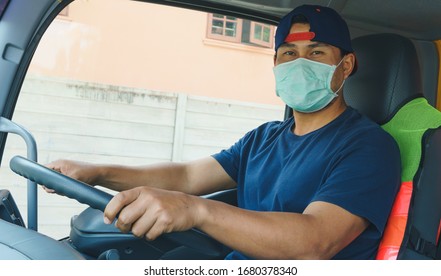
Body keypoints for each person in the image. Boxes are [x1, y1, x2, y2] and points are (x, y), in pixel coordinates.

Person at [46, 5, 401, 260]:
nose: (299, 63)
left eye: (316, 52)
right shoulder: (264, 138)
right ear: (275, 65)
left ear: (346, 66)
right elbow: (186, 175)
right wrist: (97, 172)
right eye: (289, 53)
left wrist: (196, 210)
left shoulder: (368, 147)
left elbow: (315, 241)